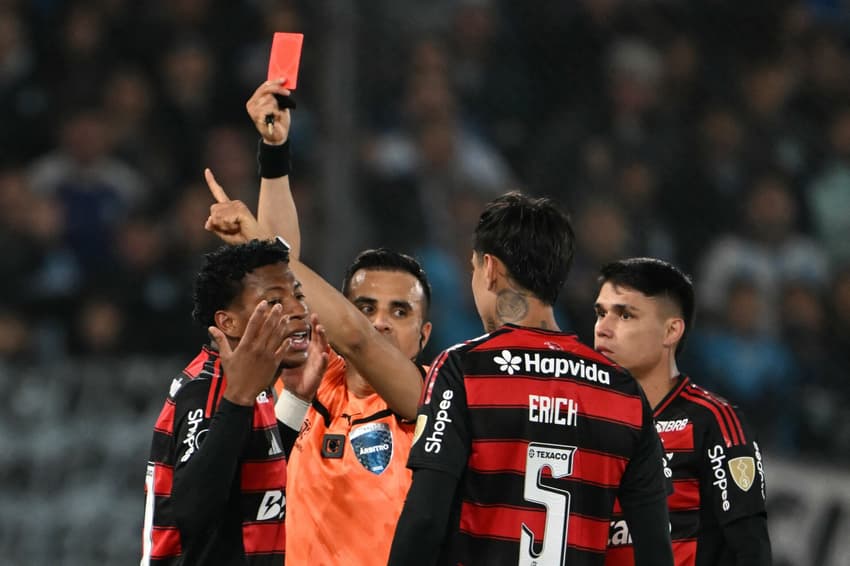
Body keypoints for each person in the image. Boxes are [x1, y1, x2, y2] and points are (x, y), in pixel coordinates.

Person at [202, 79, 435, 565]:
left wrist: (253, 240)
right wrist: (274, 152)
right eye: (365, 306)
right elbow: (284, 278)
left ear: (425, 334)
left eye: (400, 311)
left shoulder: (432, 404)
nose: (380, 323)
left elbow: (358, 338)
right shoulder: (310, 382)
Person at [387, 193, 674, 566]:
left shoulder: (464, 370)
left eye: (473, 268)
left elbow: (425, 519)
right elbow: (655, 547)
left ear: (489, 268)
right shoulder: (624, 393)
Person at [140, 239, 327, 565]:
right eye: (274, 301)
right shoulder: (208, 390)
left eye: (297, 295)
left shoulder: (253, 381)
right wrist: (238, 400)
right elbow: (191, 513)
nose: (297, 309)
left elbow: (250, 475)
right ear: (228, 323)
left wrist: (297, 399)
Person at [593, 257, 771, 565]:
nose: (603, 329)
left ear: (671, 331)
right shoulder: (588, 421)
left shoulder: (712, 421)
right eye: (600, 313)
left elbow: (750, 547)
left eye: (624, 315)